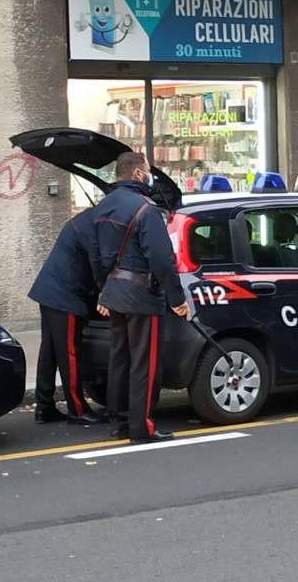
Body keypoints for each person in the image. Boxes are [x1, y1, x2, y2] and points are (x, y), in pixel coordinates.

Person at [93, 152, 188, 444]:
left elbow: (96, 256)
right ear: (137, 174)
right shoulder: (146, 209)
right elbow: (161, 259)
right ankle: (141, 428)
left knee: (119, 359)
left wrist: (104, 292)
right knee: (143, 364)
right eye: (148, 170)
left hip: (115, 293)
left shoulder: (103, 207)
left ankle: (119, 421)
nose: (150, 175)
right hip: (142, 296)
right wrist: (177, 298)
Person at [28, 208, 104, 425]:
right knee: (69, 356)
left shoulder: (86, 219)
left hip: (50, 291)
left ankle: (44, 406)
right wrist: (106, 292)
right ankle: (78, 410)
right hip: (66, 297)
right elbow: (99, 264)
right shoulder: (95, 226)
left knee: (50, 353)